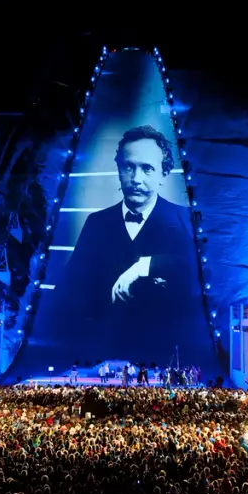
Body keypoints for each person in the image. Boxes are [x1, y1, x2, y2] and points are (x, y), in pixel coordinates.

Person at [61, 125, 199, 358]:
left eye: (147, 169)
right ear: (118, 169)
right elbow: (68, 288)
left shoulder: (186, 219)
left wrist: (144, 266)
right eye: (128, 167)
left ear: (164, 174)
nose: (136, 179)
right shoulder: (96, 223)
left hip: (168, 354)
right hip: (102, 355)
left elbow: (195, 270)